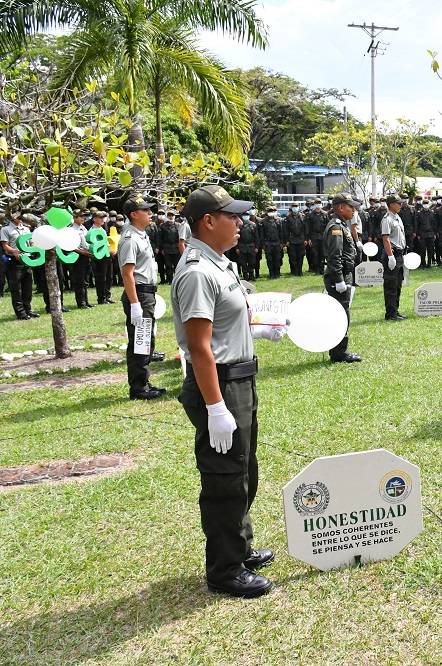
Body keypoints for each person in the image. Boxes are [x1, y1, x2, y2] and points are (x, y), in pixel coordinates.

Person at [172, 184, 285, 599]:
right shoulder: (198, 271)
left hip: (239, 378)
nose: (240, 223)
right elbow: (200, 346)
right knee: (225, 479)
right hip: (217, 384)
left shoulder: (220, 264)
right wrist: (216, 407)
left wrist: (260, 327)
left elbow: (227, 320)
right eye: (232, 217)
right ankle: (224, 569)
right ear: (208, 221)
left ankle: (240, 547)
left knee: (243, 470)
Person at [118, 195, 164, 400]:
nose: (150, 213)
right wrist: (135, 304)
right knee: (140, 340)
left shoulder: (141, 235)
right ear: (134, 215)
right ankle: (138, 388)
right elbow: (127, 274)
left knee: (146, 339)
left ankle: (144, 382)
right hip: (139, 293)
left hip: (147, 293)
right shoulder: (130, 239)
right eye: (145, 210)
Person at [324, 194, 363, 363]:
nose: (354, 210)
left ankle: (339, 350)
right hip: (338, 277)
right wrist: (339, 279)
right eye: (350, 207)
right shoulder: (336, 227)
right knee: (341, 314)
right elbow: (335, 255)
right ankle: (339, 353)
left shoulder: (342, 225)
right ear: (341, 208)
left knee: (342, 311)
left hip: (345, 274)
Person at [2, 207, 39, 319]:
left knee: (28, 286)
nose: (21, 218)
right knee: (16, 287)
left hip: (27, 259)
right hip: (15, 260)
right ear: (12, 216)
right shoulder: (6, 229)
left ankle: (28, 309)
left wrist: (33, 246)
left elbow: (31, 243)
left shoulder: (26, 229)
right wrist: (15, 251)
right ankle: (20, 312)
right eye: (18, 215)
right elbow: (5, 246)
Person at [380, 194, 407, 321]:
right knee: (391, 285)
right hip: (393, 254)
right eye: (398, 203)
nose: (400, 205)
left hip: (399, 254)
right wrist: (390, 256)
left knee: (397, 284)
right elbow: (386, 239)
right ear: (391, 204)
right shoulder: (387, 219)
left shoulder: (397, 217)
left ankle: (395, 310)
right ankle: (390, 314)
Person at [69, 210, 95, 309]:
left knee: (86, 279)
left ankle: (86, 301)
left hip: (86, 255)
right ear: (74, 218)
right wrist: (82, 252)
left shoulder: (83, 228)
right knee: (79, 280)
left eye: (84, 216)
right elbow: (69, 245)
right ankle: (81, 303)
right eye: (80, 216)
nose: (83, 218)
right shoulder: (71, 230)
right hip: (78, 256)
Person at [283, 202, 308, 276]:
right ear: (291, 207)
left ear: (298, 207)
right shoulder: (288, 217)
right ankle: (294, 271)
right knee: (292, 256)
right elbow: (285, 230)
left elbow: (305, 228)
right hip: (292, 239)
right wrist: (286, 240)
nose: (295, 208)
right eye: (293, 206)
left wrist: (306, 239)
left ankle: (299, 271)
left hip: (301, 238)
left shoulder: (303, 216)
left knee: (301, 256)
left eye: (296, 206)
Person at [260, 205, 285, 279]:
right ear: (267, 212)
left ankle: (277, 273)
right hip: (268, 243)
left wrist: (281, 243)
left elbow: (281, 232)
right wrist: (263, 244)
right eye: (269, 211)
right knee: (269, 259)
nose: (271, 212)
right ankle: (271, 273)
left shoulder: (278, 220)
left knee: (277, 258)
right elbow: (262, 234)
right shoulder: (264, 221)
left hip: (277, 243)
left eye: (272, 211)